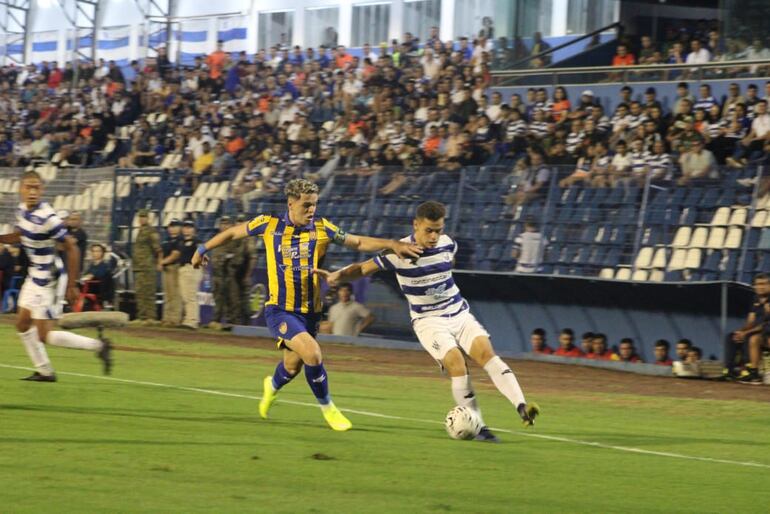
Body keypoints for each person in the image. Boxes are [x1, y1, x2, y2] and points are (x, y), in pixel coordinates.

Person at [191, 179, 422, 432]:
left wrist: (393, 244)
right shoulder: (269, 224)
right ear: (291, 204)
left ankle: (272, 386)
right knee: (313, 353)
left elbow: (356, 242)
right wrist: (203, 248)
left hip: (310, 312)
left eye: (314, 204)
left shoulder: (322, 228)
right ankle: (328, 408)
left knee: (292, 366)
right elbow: (234, 232)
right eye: (306, 205)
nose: (311, 210)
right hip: (279, 309)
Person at [314, 200, 540, 441]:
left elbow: (445, 267)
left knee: (487, 354)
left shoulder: (448, 245)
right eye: (428, 230)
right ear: (416, 225)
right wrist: (339, 274)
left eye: (438, 230)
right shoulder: (397, 251)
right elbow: (363, 268)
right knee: (456, 363)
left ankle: (522, 407)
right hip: (428, 321)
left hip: (459, 313)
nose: (434, 236)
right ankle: (479, 426)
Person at [0, 170, 112, 381]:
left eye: (37, 188)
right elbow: (20, 235)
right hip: (35, 273)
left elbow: (72, 247)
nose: (33, 192)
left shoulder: (48, 217)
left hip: (49, 279)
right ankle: (44, 371)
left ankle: (99, 346)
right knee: (23, 324)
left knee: (45, 335)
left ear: (42, 190)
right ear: (20, 189)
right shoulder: (22, 210)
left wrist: (72, 284)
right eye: (29, 187)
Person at [730, 274, 770, 384]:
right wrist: (741, 331)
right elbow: (751, 321)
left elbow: (765, 324)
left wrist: (746, 332)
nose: (760, 287)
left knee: (753, 337)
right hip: (764, 333)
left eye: (763, 284)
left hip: (767, 332)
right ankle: (752, 373)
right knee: (750, 338)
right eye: (757, 284)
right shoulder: (755, 299)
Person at [208, 216, 243, 329]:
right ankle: (216, 321)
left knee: (231, 299)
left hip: (229, 274)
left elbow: (238, 257)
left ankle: (232, 323)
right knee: (218, 298)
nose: (224, 226)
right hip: (217, 274)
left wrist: (229, 261)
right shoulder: (216, 238)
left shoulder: (234, 239)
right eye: (222, 224)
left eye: (227, 224)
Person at [132, 209, 161, 325]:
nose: (142, 219)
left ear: (148, 218)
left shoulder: (151, 231)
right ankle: (142, 316)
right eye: (140, 217)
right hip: (139, 267)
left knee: (148, 292)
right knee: (140, 292)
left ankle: (151, 317)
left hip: (148, 267)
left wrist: (159, 262)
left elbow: (158, 249)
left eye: (144, 217)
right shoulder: (139, 231)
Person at [178, 220, 202, 330]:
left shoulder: (197, 242)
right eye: (185, 227)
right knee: (185, 296)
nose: (187, 229)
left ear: (194, 229)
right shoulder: (182, 242)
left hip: (192, 268)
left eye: (189, 227)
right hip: (183, 268)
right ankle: (188, 318)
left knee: (191, 296)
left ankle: (193, 321)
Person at [158, 219, 182, 328]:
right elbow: (161, 252)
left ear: (179, 228)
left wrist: (162, 262)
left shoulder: (180, 240)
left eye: (175, 226)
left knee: (174, 294)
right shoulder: (166, 240)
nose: (172, 228)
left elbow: (175, 255)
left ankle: (175, 319)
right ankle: (166, 318)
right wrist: (160, 262)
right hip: (165, 268)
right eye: (171, 226)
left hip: (174, 267)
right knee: (167, 295)